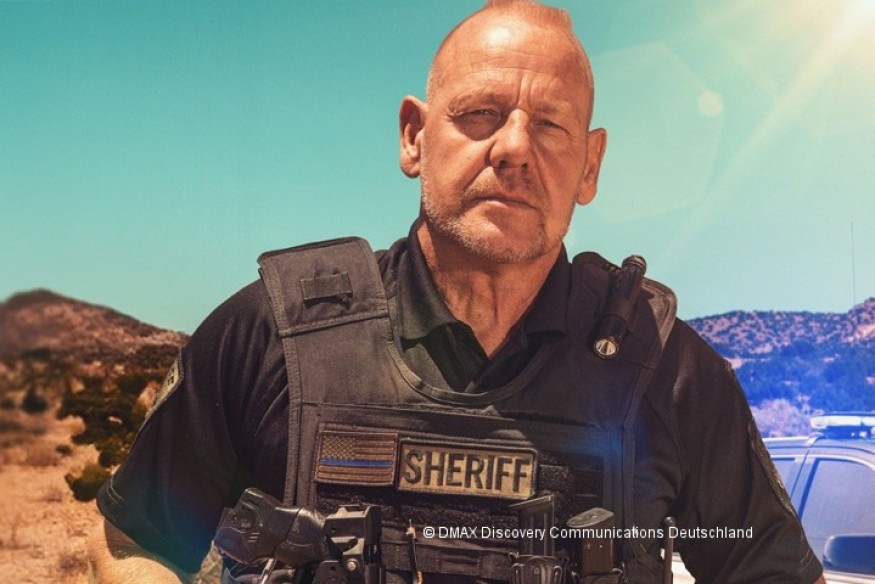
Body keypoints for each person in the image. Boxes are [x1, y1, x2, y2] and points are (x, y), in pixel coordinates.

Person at [88, 1, 825, 583]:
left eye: (550, 125)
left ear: (590, 165)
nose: (514, 148)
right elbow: (133, 540)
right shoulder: (271, 336)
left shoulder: (668, 373)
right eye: (479, 114)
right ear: (413, 136)